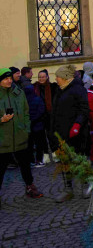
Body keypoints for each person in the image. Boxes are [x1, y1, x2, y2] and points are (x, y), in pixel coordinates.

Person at [0, 68, 43, 202]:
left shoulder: (19, 93)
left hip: (20, 136)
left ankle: (30, 187)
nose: (9, 81)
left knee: (25, 165)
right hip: (3, 139)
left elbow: (26, 112)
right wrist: (1, 120)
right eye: (5, 79)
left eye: (10, 78)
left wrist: (26, 129)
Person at [50, 64, 90, 202]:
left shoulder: (78, 89)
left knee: (79, 160)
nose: (56, 79)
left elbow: (84, 109)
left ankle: (85, 186)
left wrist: (77, 125)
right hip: (61, 133)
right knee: (64, 162)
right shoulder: (59, 90)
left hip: (76, 134)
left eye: (58, 77)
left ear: (65, 77)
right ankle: (68, 190)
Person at [34, 69, 58, 163]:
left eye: (43, 77)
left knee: (52, 135)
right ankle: (46, 155)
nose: (41, 79)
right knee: (41, 137)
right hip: (39, 116)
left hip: (50, 115)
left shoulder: (53, 87)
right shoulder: (35, 87)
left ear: (47, 77)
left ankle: (55, 153)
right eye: (39, 77)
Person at [25, 81, 46, 167]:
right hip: (38, 125)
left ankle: (31, 160)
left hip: (28, 126)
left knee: (29, 145)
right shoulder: (38, 99)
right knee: (39, 144)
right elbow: (41, 111)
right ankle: (39, 160)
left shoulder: (24, 101)